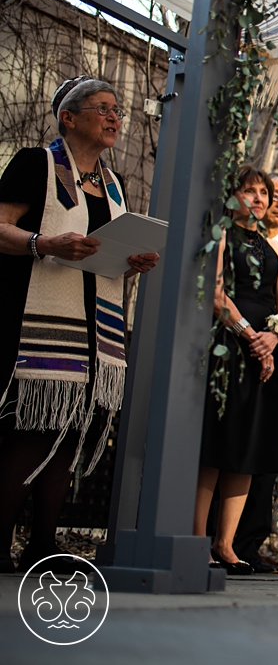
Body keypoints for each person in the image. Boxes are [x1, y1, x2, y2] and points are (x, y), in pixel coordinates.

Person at [0, 77, 158, 572]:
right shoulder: (36, 163)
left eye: (117, 111)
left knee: (72, 430)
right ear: (69, 117)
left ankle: (43, 545)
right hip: (33, 316)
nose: (114, 118)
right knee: (35, 429)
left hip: (94, 323)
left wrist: (131, 261)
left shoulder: (112, 184)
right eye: (102, 108)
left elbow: (102, 250)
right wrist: (44, 244)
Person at [195, 165, 278, 574]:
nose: (259, 198)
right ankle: (197, 539)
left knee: (247, 451)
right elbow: (216, 294)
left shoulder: (275, 249)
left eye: (264, 192)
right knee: (217, 447)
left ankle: (226, 543)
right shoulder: (220, 235)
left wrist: (272, 337)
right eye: (250, 190)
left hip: (266, 354)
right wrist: (248, 335)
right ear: (232, 194)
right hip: (229, 347)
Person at [228, 171, 278, 573]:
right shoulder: (228, 239)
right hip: (236, 347)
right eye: (267, 193)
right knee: (231, 446)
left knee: (263, 456)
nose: (274, 201)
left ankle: (248, 543)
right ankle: (218, 539)